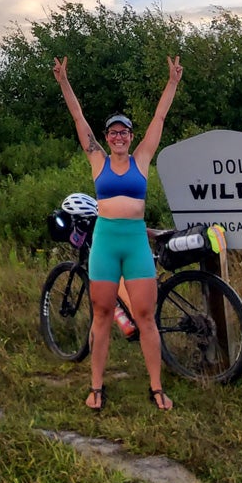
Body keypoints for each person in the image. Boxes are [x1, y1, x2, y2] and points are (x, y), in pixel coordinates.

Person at [52, 54, 183, 412]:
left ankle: (156, 388)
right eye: (113, 132)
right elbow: (78, 118)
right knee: (102, 314)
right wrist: (64, 82)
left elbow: (159, 118)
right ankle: (96, 386)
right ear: (107, 138)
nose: (119, 137)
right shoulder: (98, 159)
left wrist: (172, 82)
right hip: (106, 242)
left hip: (135, 242)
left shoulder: (142, 158)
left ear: (130, 136)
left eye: (124, 131)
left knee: (145, 316)